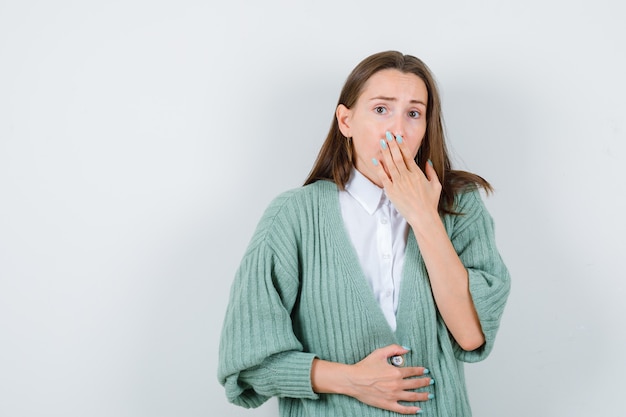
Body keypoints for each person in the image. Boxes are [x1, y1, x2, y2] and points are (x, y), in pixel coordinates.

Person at [218, 50, 511, 416]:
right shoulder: (293, 216)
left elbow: (471, 335)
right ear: (346, 121)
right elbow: (246, 363)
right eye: (380, 109)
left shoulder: (459, 208)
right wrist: (351, 380)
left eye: (414, 113)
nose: (398, 129)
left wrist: (424, 217)